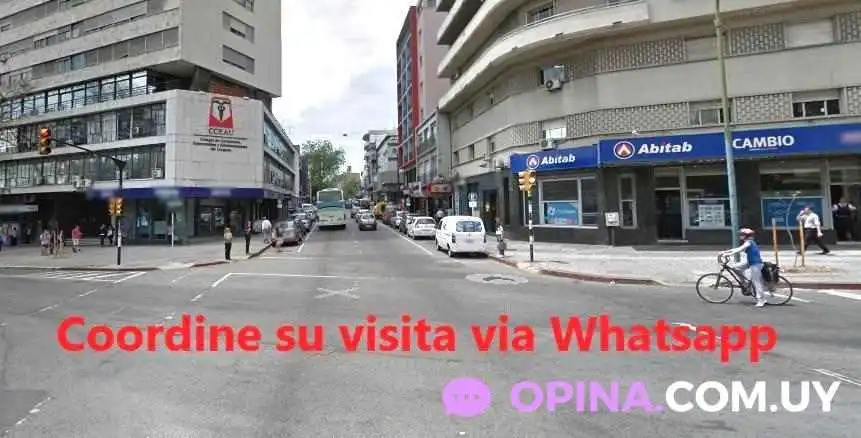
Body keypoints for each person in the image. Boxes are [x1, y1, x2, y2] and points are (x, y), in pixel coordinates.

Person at [720, 228, 768, 308]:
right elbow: (737, 249)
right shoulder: (747, 242)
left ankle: (761, 300)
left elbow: (739, 250)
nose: (740, 236)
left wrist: (727, 254)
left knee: (756, 282)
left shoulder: (749, 242)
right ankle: (744, 283)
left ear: (746, 236)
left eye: (742, 235)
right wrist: (725, 252)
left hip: (756, 264)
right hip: (750, 262)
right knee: (735, 267)